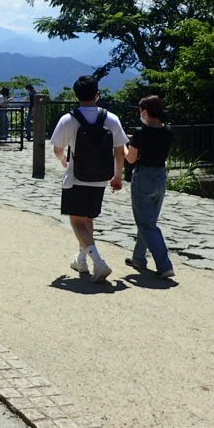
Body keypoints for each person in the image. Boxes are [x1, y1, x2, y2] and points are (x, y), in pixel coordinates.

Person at [50, 76, 127, 283]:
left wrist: (64, 160)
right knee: (88, 220)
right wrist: (118, 175)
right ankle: (81, 261)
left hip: (76, 177)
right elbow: (120, 151)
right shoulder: (111, 119)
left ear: (76, 95)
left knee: (76, 221)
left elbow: (57, 148)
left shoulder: (68, 119)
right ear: (97, 94)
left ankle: (98, 262)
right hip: (101, 178)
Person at [125, 95, 176, 279]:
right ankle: (138, 258)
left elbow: (130, 158)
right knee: (148, 221)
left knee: (145, 223)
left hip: (143, 177)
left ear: (144, 112)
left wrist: (126, 145)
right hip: (160, 177)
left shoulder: (140, 132)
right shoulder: (168, 131)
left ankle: (165, 265)